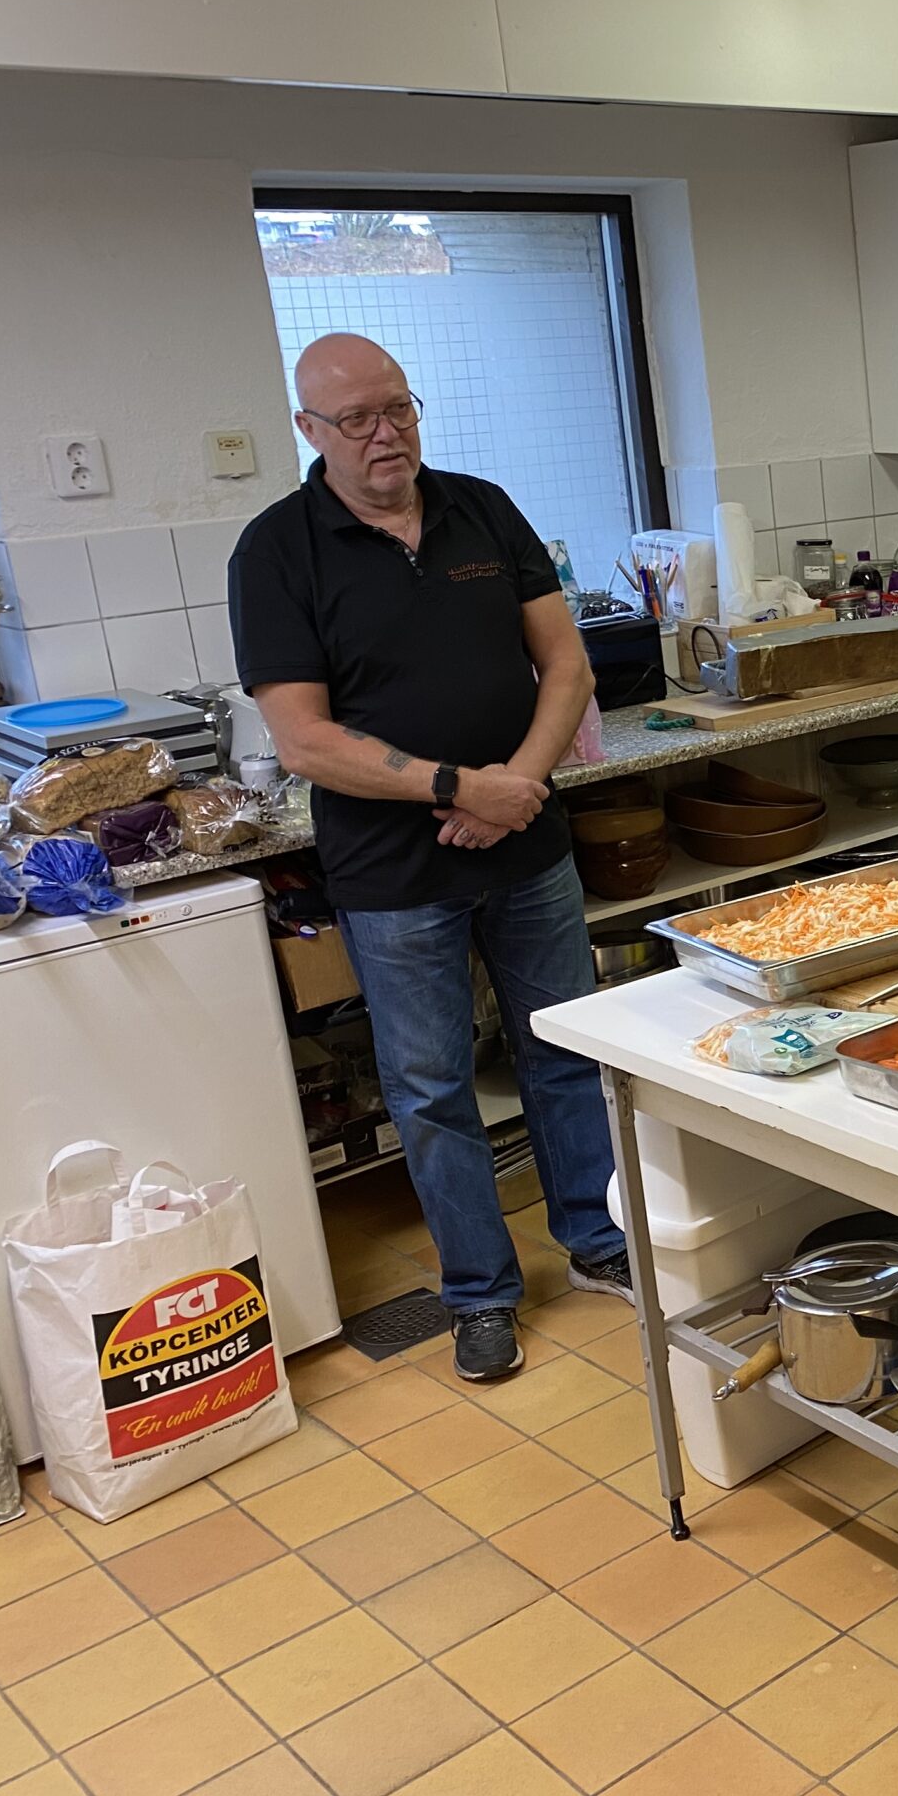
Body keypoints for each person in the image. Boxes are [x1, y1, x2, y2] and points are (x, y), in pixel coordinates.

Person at [230, 333, 632, 1384]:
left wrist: (517, 788)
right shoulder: (276, 552)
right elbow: (304, 741)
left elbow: (566, 665)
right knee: (430, 1088)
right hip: (393, 872)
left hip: (526, 845)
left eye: (399, 408)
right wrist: (461, 789)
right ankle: (481, 1294)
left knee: (566, 1051)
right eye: (357, 419)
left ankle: (597, 1240)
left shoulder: (481, 508)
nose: (386, 435)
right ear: (309, 431)